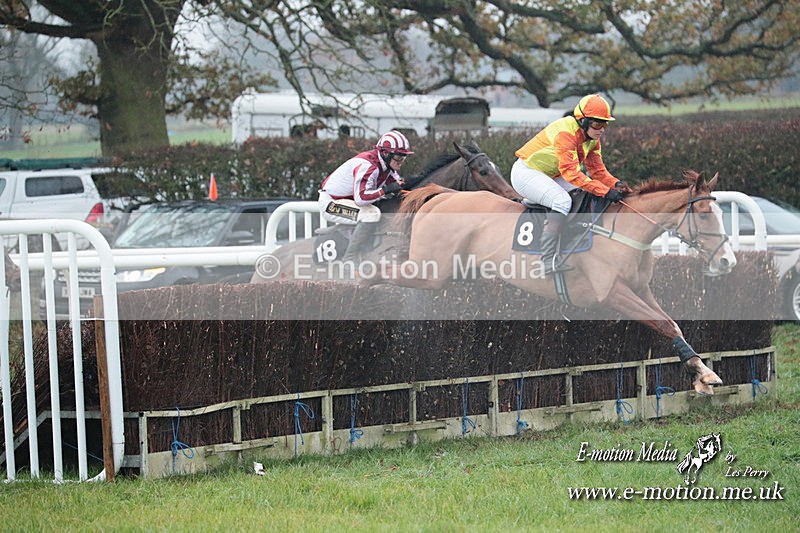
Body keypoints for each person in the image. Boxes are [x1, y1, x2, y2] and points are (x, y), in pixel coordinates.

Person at [511, 93, 631, 275]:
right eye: (597, 124)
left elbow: (597, 171)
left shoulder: (593, 140)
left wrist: (616, 184)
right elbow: (571, 173)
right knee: (562, 201)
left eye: (605, 124)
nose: (602, 129)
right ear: (583, 121)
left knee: (582, 194)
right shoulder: (565, 133)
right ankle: (548, 259)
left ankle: (571, 240)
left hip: (550, 175)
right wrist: (605, 192)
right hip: (526, 173)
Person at [318, 130, 413, 261]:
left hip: (346, 201)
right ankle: (349, 258)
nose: (401, 161)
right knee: (371, 214)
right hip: (330, 203)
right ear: (385, 154)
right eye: (398, 156)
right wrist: (385, 190)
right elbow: (361, 199)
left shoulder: (387, 166)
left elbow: (399, 186)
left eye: (404, 157)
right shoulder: (369, 166)